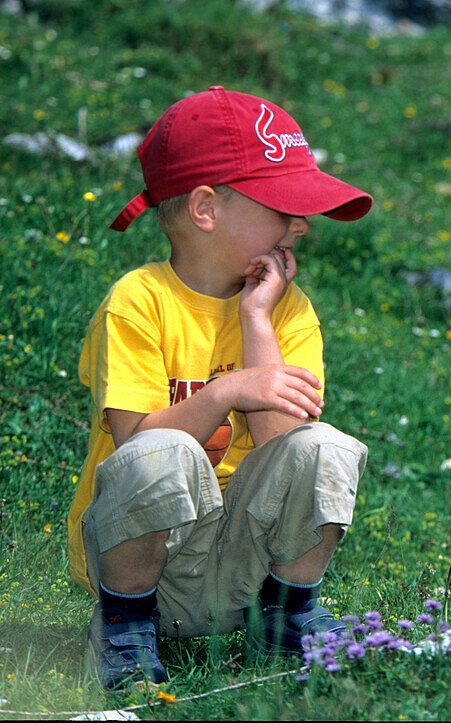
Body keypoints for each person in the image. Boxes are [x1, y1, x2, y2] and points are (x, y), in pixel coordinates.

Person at [66, 86, 373, 690]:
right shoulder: (138, 303)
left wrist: (257, 320)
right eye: (284, 208)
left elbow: (284, 440)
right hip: (145, 561)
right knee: (165, 451)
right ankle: (122, 631)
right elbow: (132, 445)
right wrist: (227, 392)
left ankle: (285, 616)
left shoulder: (288, 310)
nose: (302, 227)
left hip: (244, 564)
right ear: (206, 210)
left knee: (326, 445)